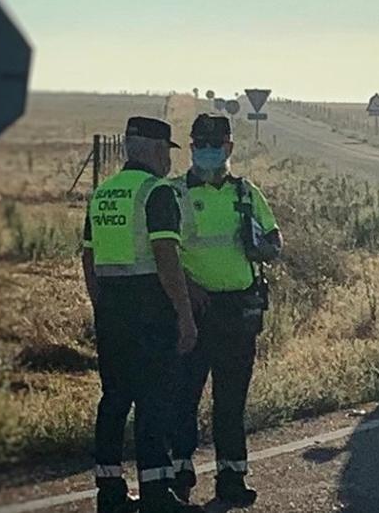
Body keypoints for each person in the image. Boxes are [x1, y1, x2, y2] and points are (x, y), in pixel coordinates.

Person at [81, 117, 201, 513]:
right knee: (154, 402)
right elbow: (166, 258)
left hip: (111, 310)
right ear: (153, 149)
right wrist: (184, 314)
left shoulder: (103, 193)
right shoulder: (156, 192)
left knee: (114, 400)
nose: (168, 160)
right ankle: (156, 493)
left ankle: (109, 491)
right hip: (150, 311)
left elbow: (88, 258)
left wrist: (101, 305)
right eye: (166, 151)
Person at [167, 115, 282, 506]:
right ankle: (179, 477)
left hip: (238, 311)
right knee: (183, 399)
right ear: (191, 146)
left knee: (231, 404)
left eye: (215, 144)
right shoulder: (175, 193)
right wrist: (187, 289)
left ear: (229, 148)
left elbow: (274, 239)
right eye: (201, 143)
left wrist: (262, 247)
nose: (207, 151)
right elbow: (161, 252)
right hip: (193, 311)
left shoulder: (246, 193)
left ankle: (231, 479)